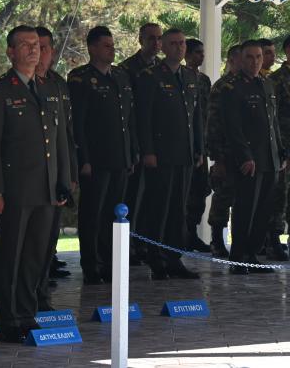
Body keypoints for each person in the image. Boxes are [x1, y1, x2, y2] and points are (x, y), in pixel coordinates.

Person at [0, 25, 71, 344]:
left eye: (37, 45)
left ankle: (27, 314)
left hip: (46, 189)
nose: (34, 50)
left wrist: (62, 182)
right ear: (10, 52)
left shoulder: (49, 87)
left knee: (35, 256)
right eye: (25, 45)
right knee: (10, 256)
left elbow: (60, 140)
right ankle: (8, 319)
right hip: (15, 190)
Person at [68, 26, 137, 284]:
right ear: (92, 48)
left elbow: (129, 119)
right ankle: (92, 264)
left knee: (114, 214)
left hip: (120, 157)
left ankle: (110, 263)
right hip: (96, 159)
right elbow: (78, 123)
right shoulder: (81, 78)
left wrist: (132, 152)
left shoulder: (120, 76)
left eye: (112, 45)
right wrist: (83, 159)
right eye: (106, 45)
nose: (112, 49)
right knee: (92, 214)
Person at [135, 28, 202, 280]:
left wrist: (199, 148)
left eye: (182, 43)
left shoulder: (190, 76)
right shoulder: (150, 76)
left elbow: (196, 116)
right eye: (173, 43)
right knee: (158, 209)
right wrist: (148, 151)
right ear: (162, 47)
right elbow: (143, 117)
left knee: (178, 210)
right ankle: (156, 259)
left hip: (185, 154)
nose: (179, 47)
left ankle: (174, 259)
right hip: (161, 155)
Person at [220, 40, 285, 274]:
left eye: (259, 56)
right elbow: (233, 127)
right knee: (245, 209)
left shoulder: (266, 84)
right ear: (240, 59)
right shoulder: (233, 87)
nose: (255, 61)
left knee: (263, 210)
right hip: (249, 160)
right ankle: (238, 257)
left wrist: (281, 151)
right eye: (250, 57)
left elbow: (273, 123)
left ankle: (252, 255)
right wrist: (245, 156)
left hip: (270, 158)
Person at [33, 27, 78, 303]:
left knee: (48, 239)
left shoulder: (57, 84)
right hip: (28, 177)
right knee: (27, 246)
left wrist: (69, 172)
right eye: (33, 47)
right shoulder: (10, 87)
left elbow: (66, 134)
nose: (39, 53)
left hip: (55, 175)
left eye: (44, 48)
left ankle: (41, 292)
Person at [119, 22, 163, 263]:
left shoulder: (163, 68)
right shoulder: (127, 69)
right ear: (140, 40)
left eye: (159, 38)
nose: (156, 43)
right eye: (151, 38)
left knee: (153, 200)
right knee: (133, 198)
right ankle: (129, 245)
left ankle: (147, 244)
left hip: (160, 145)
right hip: (137, 143)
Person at [207, 45, 242, 257]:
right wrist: (217, 158)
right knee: (222, 198)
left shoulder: (249, 84)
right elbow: (213, 124)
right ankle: (217, 240)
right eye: (241, 59)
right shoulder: (222, 87)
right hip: (225, 153)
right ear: (231, 60)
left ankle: (240, 243)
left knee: (242, 201)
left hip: (244, 154)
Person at [183, 38, 213, 253]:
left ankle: (192, 234)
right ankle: (181, 235)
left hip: (201, 143)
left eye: (202, 52)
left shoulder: (204, 80)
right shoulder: (181, 76)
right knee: (184, 193)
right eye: (197, 52)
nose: (201, 56)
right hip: (185, 143)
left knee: (201, 190)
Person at [268, 36, 290, 259]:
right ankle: (273, 239)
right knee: (280, 195)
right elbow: (271, 117)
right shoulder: (276, 80)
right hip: (283, 147)